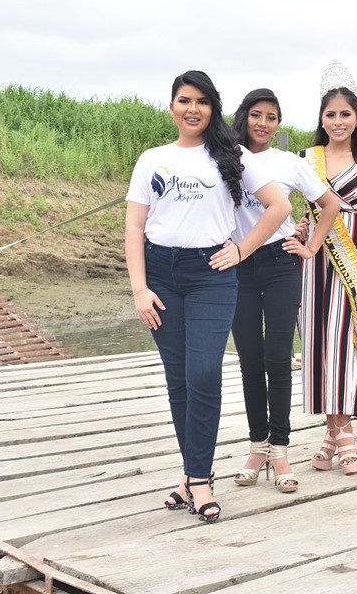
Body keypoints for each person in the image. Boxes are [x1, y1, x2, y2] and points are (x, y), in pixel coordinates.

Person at [124, 71, 291, 522]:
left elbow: (279, 207)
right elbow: (135, 226)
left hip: (211, 275)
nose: (192, 109)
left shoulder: (231, 155)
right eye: (184, 100)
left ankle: (198, 479)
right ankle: (194, 474)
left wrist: (242, 249)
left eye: (201, 101)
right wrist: (140, 288)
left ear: (213, 108)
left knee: (203, 374)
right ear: (172, 107)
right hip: (160, 274)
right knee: (178, 379)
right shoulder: (153, 159)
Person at [228, 88, 341, 492]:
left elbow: (330, 205)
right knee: (249, 360)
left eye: (271, 117)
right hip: (237, 265)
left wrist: (310, 247)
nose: (263, 123)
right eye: (256, 114)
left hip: (280, 264)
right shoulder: (224, 156)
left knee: (277, 359)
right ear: (244, 116)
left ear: (278, 124)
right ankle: (256, 446)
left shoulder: (288, 162)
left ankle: (280, 450)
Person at [285, 60, 357, 474]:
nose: (337, 121)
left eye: (345, 114)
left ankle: (342, 433)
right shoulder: (306, 158)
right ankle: (334, 433)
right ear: (321, 118)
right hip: (313, 259)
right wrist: (301, 227)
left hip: (353, 255)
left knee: (345, 343)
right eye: (330, 114)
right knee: (316, 342)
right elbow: (300, 209)